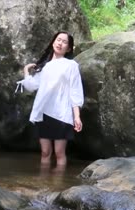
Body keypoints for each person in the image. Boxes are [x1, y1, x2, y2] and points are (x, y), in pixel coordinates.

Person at [17, 31, 84, 169]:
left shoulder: (71, 65)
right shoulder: (45, 66)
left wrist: (77, 116)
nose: (60, 43)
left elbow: (75, 90)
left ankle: (58, 186)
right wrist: (26, 71)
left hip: (62, 114)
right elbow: (31, 86)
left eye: (64, 42)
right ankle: (44, 185)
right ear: (53, 42)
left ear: (69, 48)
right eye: (58, 40)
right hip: (44, 113)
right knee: (45, 152)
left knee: (59, 153)